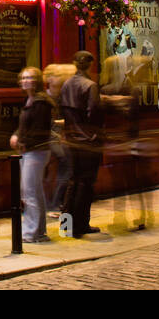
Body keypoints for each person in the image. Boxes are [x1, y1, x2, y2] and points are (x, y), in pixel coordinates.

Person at [59, 50, 102, 236]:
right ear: (90, 64)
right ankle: (80, 225)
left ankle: (66, 225)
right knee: (85, 185)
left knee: (72, 183)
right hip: (88, 142)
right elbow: (94, 114)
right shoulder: (90, 86)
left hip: (70, 140)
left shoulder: (66, 84)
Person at [10, 67, 53, 243]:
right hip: (32, 150)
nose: (26, 81)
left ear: (36, 81)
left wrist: (22, 141)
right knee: (35, 191)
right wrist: (17, 135)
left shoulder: (40, 102)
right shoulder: (31, 99)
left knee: (29, 192)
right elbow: (26, 126)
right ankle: (39, 231)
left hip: (36, 150)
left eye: (30, 78)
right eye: (23, 78)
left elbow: (39, 129)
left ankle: (30, 233)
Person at [43, 63, 75, 215]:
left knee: (62, 171)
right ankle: (55, 204)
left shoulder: (61, 96)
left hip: (59, 137)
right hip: (51, 138)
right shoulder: (47, 98)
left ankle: (56, 203)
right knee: (65, 166)